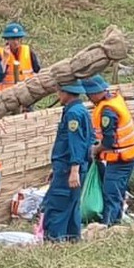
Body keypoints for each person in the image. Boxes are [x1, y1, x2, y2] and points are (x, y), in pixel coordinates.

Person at [40, 81, 94, 242]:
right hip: (67, 167)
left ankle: (54, 244)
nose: (58, 95)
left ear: (66, 93)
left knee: (57, 207)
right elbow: (89, 139)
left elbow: (75, 143)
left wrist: (73, 170)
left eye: (59, 92)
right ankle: (72, 242)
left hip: (68, 169)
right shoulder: (80, 110)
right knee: (71, 208)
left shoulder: (73, 114)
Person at [87, 76, 134, 225]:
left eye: (91, 94)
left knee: (111, 192)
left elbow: (109, 141)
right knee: (117, 191)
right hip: (126, 155)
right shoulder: (114, 101)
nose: (90, 98)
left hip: (120, 157)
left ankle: (110, 225)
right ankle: (115, 222)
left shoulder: (107, 112)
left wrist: (96, 149)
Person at [0, 24, 40, 91]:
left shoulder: (28, 51)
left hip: (26, 92)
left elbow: (37, 70)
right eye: (13, 39)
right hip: (6, 93)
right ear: (7, 40)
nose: (16, 42)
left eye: (18, 38)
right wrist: (5, 59)